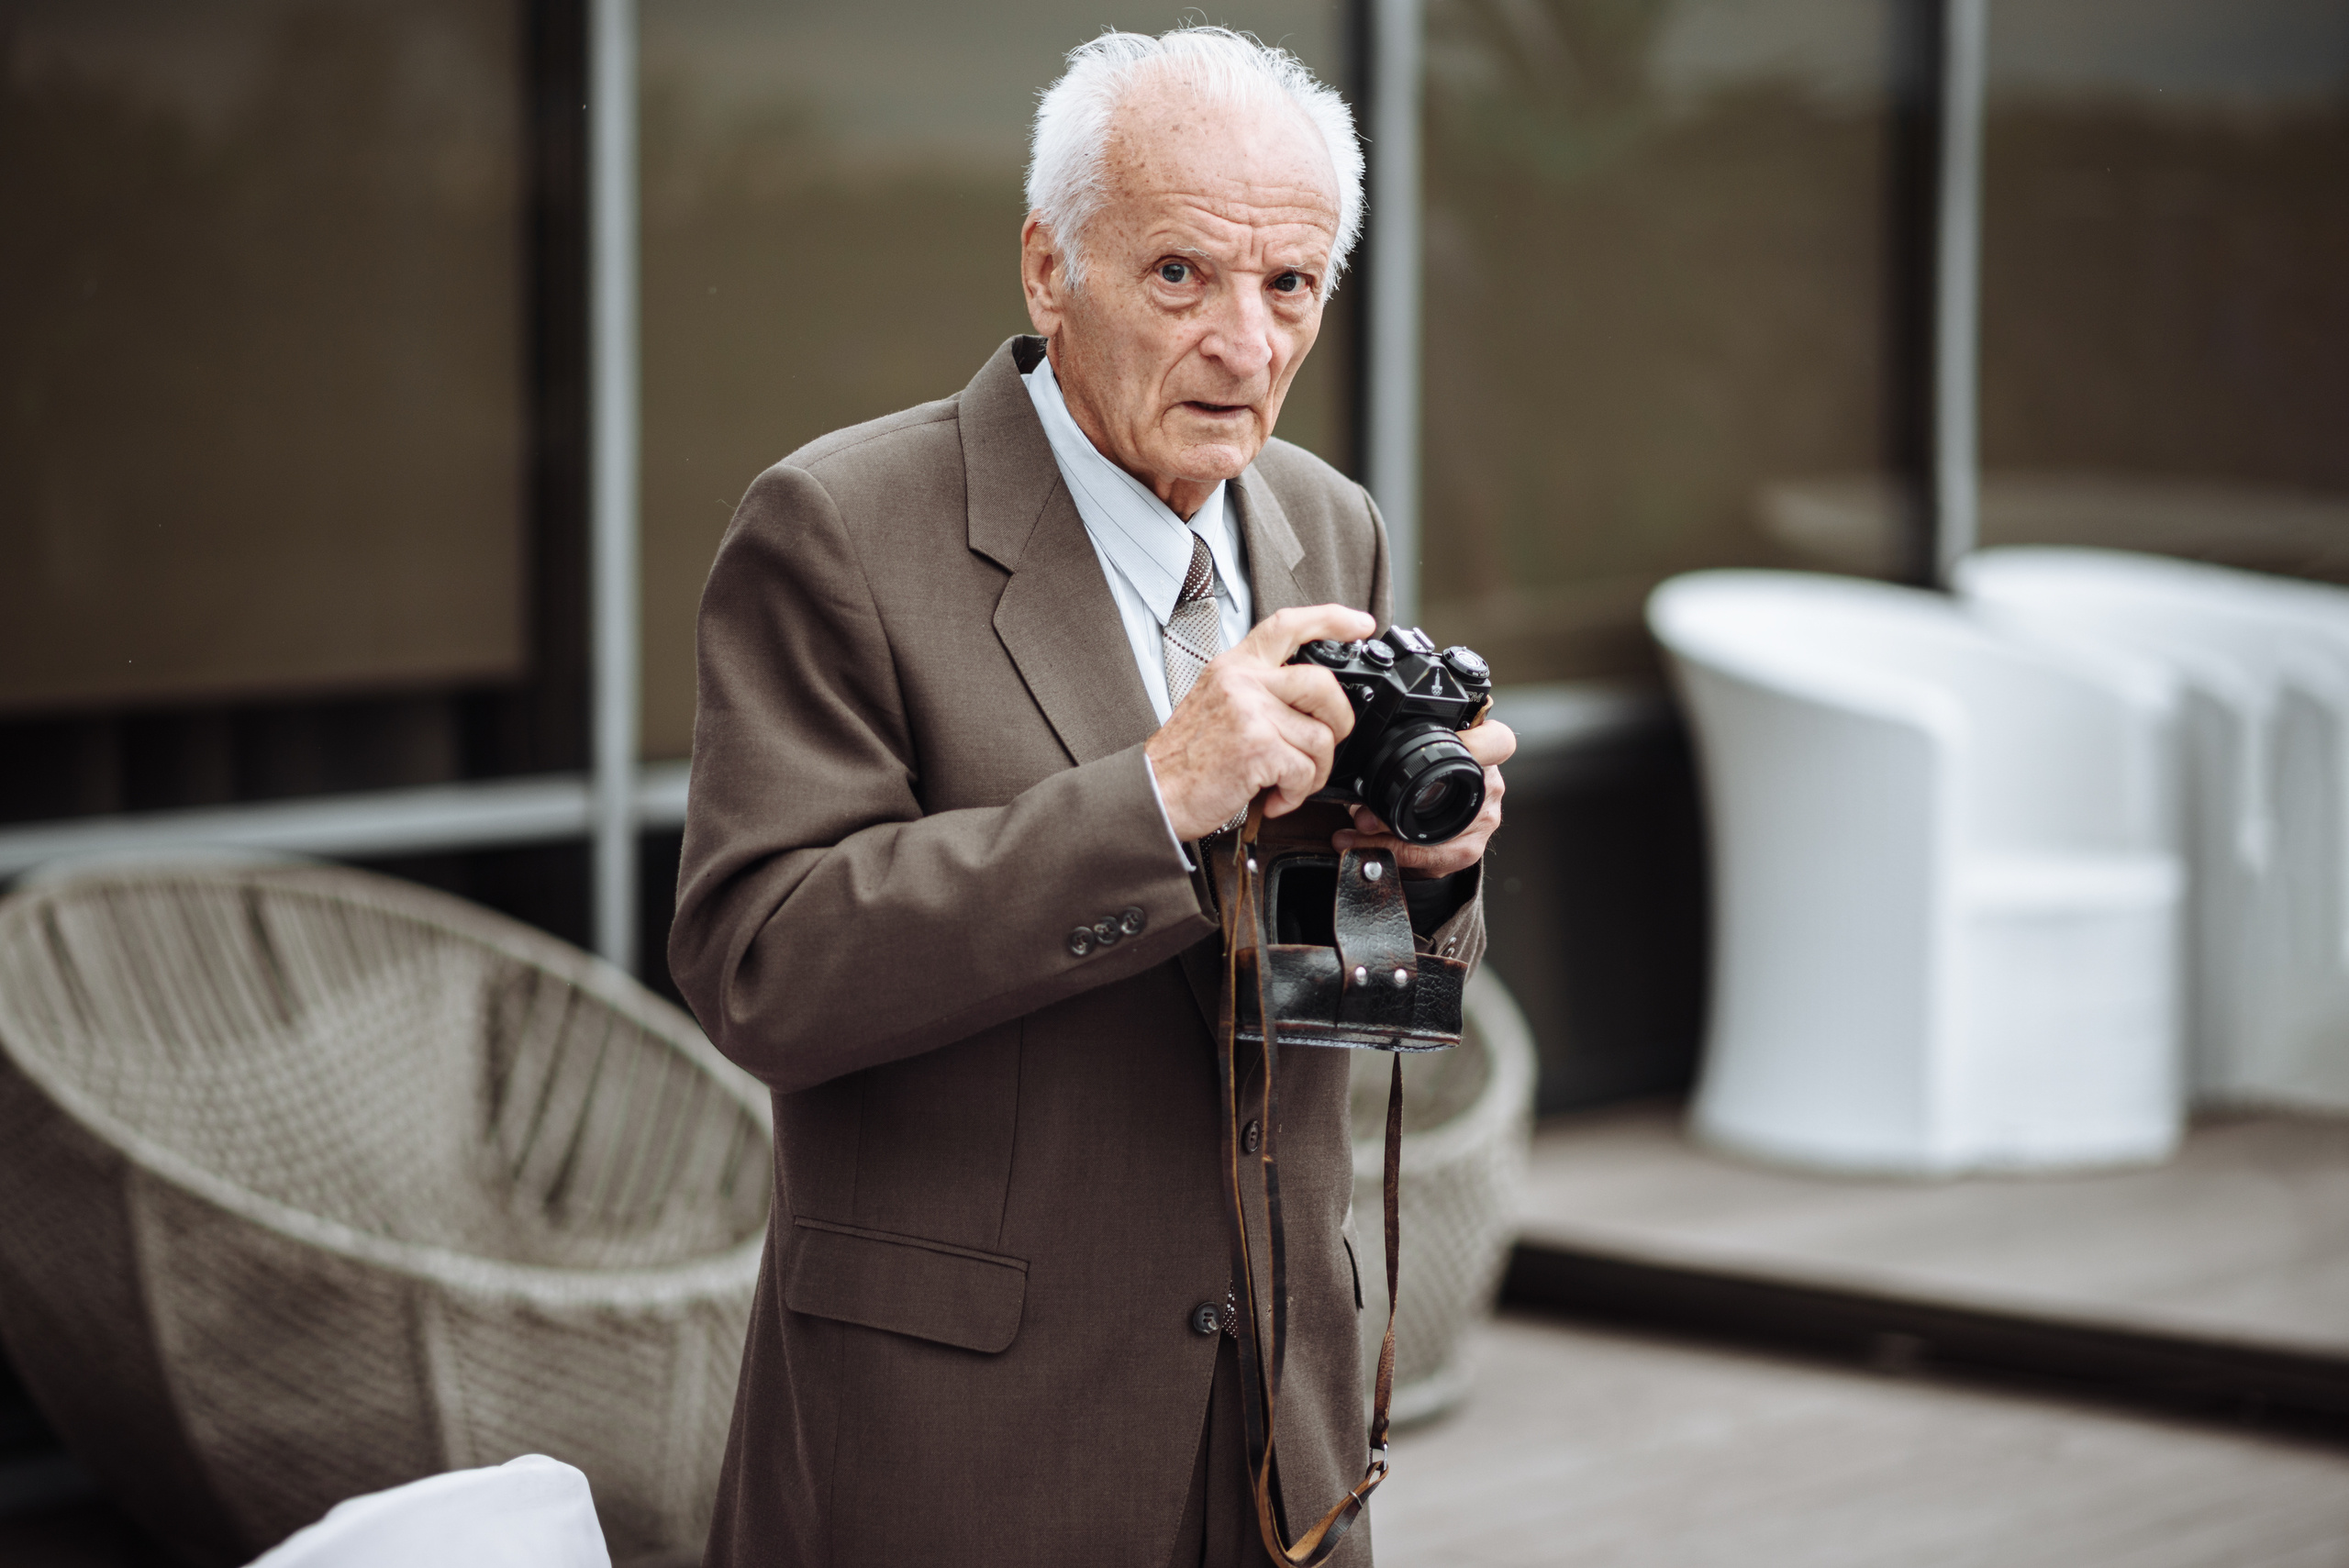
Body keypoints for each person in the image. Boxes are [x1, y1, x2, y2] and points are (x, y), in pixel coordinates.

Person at [669, 27, 1515, 1568]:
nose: (1245, 346)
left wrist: (1423, 871)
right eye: (1182, 275)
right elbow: (761, 967)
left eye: (1290, 285)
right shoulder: (839, 526)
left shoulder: (1330, 523)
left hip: (1278, 1433)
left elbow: (1346, 996)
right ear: (1049, 269)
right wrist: (1153, 797)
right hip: (964, 1445)